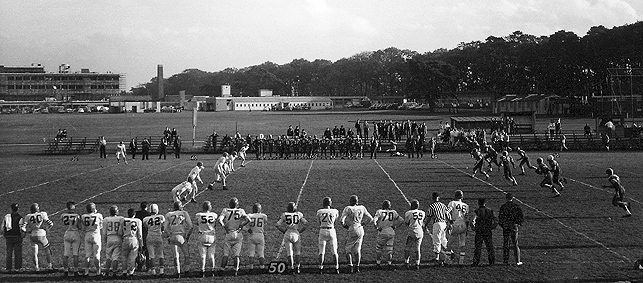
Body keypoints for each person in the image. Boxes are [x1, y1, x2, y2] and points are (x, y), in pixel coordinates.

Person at [340, 195, 373, 273]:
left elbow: (342, 220)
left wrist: (344, 225)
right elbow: (370, 218)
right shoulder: (362, 207)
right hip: (360, 229)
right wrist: (363, 223)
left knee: (347, 248)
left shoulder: (348, 208)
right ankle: (357, 266)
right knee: (357, 249)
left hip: (352, 229)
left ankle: (350, 266)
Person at [218, 197, 249, 276]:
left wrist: (224, 226)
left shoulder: (225, 210)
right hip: (237, 233)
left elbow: (219, 220)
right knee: (236, 254)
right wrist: (241, 225)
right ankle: (236, 270)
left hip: (229, 233)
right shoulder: (241, 211)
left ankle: (222, 269)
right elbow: (248, 219)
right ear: (237, 204)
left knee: (226, 254)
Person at [276, 202, 309, 274]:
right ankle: (297, 267)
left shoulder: (285, 215)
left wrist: (283, 230)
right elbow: (306, 223)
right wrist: (300, 231)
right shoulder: (299, 214)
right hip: (296, 233)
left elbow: (277, 224)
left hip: (288, 233)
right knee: (297, 252)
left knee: (289, 252)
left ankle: (291, 268)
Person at [164, 201, 193, 278]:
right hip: (181, 236)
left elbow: (165, 229)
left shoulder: (169, 214)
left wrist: (168, 237)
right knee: (186, 255)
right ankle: (186, 271)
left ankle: (178, 272)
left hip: (173, 236)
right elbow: (190, 226)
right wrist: (187, 236)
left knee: (175, 256)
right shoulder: (184, 213)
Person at [24, 203, 54, 272]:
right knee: (47, 250)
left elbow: (23, 228)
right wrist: (47, 229)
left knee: (35, 253)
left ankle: (36, 267)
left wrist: (28, 231)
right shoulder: (43, 214)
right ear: (37, 209)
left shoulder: (28, 216)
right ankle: (50, 266)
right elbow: (51, 223)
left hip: (33, 235)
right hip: (41, 234)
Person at [374, 200, 402, 269]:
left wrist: (377, 227)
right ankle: (389, 264)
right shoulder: (393, 212)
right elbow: (401, 220)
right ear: (390, 206)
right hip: (391, 233)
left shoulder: (379, 212)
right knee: (390, 249)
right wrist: (395, 226)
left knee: (379, 249)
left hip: (382, 233)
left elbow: (374, 220)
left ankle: (378, 263)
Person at [425, 192, 451, 266]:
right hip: (444, 223)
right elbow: (448, 215)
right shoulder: (443, 205)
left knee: (436, 240)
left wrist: (425, 225)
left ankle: (437, 258)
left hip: (437, 223)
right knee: (443, 239)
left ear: (432, 197)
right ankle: (450, 252)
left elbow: (429, 217)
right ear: (438, 197)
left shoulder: (432, 206)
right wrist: (450, 223)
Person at [194, 201, 219, 277]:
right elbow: (216, 224)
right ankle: (212, 270)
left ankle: (202, 270)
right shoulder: (214, 215)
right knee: (211, 255)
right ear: (209, 207)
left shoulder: (198, 215)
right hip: (211, 236)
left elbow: (197, 223)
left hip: (202, 236)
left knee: (203, 255)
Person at [316, 197, 340, 274]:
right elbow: (335, 220)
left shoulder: (320, 211)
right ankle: (336, 268)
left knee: (321, 251)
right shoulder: (335, 211)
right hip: (331, 230)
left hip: (322, 230)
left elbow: (319, 222)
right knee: (334, 251)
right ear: (330, 203)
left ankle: (320, 268)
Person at [498, 193, 523, 265]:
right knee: (515, 243)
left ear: (506, 198)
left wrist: (502, 225)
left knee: (506, 243)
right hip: (513, 226)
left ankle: (505, 260)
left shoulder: (503, 206)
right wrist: (518, 224)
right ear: (513, 198)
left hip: (506, 226)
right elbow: (520, 216)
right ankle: (517, 260)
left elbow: (500, 217)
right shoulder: (516, 206)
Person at [446, 190, 469, 265]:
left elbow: (446, 212)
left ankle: (447, 260)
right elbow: (467, 218)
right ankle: (461, 261)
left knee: (449, 243)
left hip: (455, 224)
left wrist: (450, 221)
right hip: (463, 224)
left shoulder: (452, 203)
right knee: (462, 244)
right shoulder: (466, 205)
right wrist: (467, 228)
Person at [471, 198, 496, 266]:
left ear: (478, 203)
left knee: (478, 247)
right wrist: (493, 226)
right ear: (485, 203)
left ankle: (476, 262)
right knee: (490, 247)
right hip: (487, 230)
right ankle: (492, 262)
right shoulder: (490, 211)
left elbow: (472, 220)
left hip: (479, 231)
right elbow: (496, 220)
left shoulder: (477, 211)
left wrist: (473, 228)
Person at [142, 204, 165, 276]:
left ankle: (153, 271)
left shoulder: (145, 219)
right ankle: (161, 271)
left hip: (150, 236)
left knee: (151, 255)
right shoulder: (161, 217)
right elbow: (163, 227)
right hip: (158, 236)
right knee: (161, 254)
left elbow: (146, 228)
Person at [81, 203, 103, 276]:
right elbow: (101, 226)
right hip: (96, 235)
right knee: (96, 255)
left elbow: (83, 227)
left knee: (87, 255)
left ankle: (86, 272)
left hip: (87, 235)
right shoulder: (99, 215)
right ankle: (98, 272)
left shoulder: (83, 216)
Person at [2, 203, 25, 273]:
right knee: (18, 253)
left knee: (9, 253)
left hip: (8, 237)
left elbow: (2, 228)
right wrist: (22, 236)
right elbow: (21, 229)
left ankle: (8, 268)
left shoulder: (7, 216)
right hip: (17, 236)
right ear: (18, 209)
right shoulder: (20, 217)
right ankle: (17, 268)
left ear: (11, 209)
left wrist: (4, 235)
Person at [61, 201, 81, 277]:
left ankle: (65, 270)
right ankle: (76, 270)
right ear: (73, 207)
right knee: (75, 253)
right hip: (75, 233)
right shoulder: (77, 215)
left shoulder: (63, 215)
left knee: (66, 254)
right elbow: (79, 227)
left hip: (67, 233)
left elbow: (63, 223)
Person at [102, 205, 124, 277]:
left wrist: (104, 241)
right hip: (118, 238)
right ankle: (114, 272)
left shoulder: (106, 219)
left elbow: (104, 232)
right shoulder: (121, 218)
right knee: (115, 257)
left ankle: (107, 271)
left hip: (109, 238)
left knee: (108, 256)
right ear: (116, 211)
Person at [403, 199, 425, 270]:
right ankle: (417, 264)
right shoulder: (422, 212)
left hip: (412, 231)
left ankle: (406, 263)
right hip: (420, 232)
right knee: (417, 249)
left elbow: (406, 223)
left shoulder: (408, 213)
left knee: (407, 248)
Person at [120, 208, 142, 277]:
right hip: (134, 239)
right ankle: (131, 272)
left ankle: (124, 272)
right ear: (134, 214)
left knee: (124, 257)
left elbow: (120, 232)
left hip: (125, 238)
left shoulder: (123, 220)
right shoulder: (137, 221)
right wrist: (141, 244)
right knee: (133, 258)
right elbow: (140, 234)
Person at [246, 203, 267, 273]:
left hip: (252, 234)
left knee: (251, 253)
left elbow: (243, 224)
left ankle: (251, 268)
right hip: (260, 235)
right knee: (261, 253)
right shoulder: (264, 216)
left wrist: (247, 229)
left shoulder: (250, 215)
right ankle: (262, 267)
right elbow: (265, 223)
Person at [134, 202, 151, 272]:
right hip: (146, 233)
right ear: (146, 207)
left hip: (137, 234)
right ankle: (148, 266)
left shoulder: (137, 213)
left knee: (138, 251)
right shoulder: (149, 214)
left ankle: (139, 266)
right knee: (147, 251)